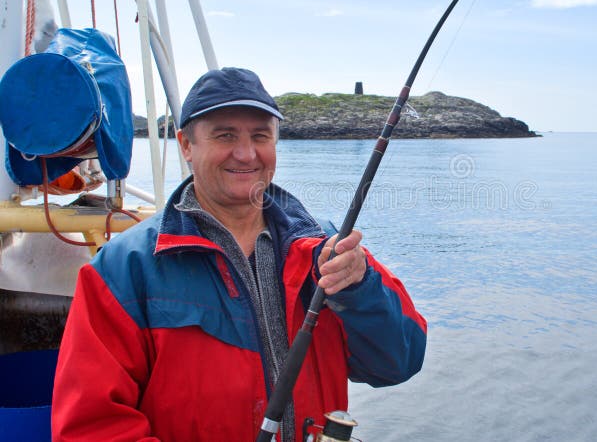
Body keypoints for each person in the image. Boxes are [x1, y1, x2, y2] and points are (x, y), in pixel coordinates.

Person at [52, 67, 427, 441]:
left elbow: (399, 362)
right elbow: (90, 426)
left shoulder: (330, 248)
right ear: (185, 144)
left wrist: (360, 289)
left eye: (260, 136)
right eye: (225, 135)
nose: (246, 154)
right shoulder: (121, 270)